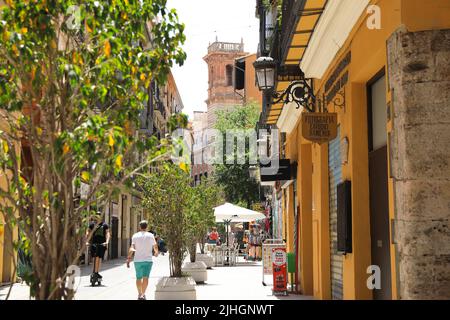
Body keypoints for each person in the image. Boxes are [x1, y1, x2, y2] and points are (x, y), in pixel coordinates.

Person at [127, 220, 159, 300]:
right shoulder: (151, 235)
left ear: (139, 227)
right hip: (148, 260)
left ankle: (139, 294)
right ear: (147, 227)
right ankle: (143, 294)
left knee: (138, 278)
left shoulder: (135, 236)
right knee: (146, 278)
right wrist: (156, 252)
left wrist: (128, 258)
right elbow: (155, 245)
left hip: (137, 260)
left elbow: (132, 248)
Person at [86, 215, 110, 280]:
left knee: (99, 258)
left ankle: (97, 272)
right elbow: (88, 232)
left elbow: (107, 233)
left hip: (102, 244)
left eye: (98, 216)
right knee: (95, 257)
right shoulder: (92, 224)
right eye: (96, 216)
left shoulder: (105, 225)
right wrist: (87, 241)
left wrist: (107, 242)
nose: (97, 218)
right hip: (94, 243)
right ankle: (95, 272)